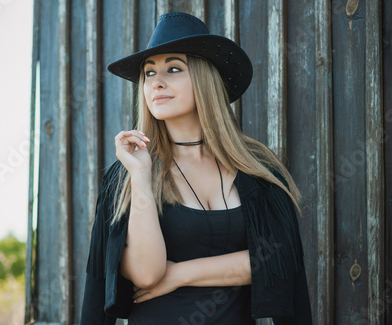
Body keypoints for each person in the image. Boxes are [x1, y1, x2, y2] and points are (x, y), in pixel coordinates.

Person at [80, 12, 312, 325]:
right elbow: (147, 273)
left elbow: (279, 261)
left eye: (173, 68)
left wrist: (180, 273)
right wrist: (141, 178)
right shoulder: (127, 173)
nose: (157, 82)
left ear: (204, 80)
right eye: (149, 73)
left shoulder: (258, 169)